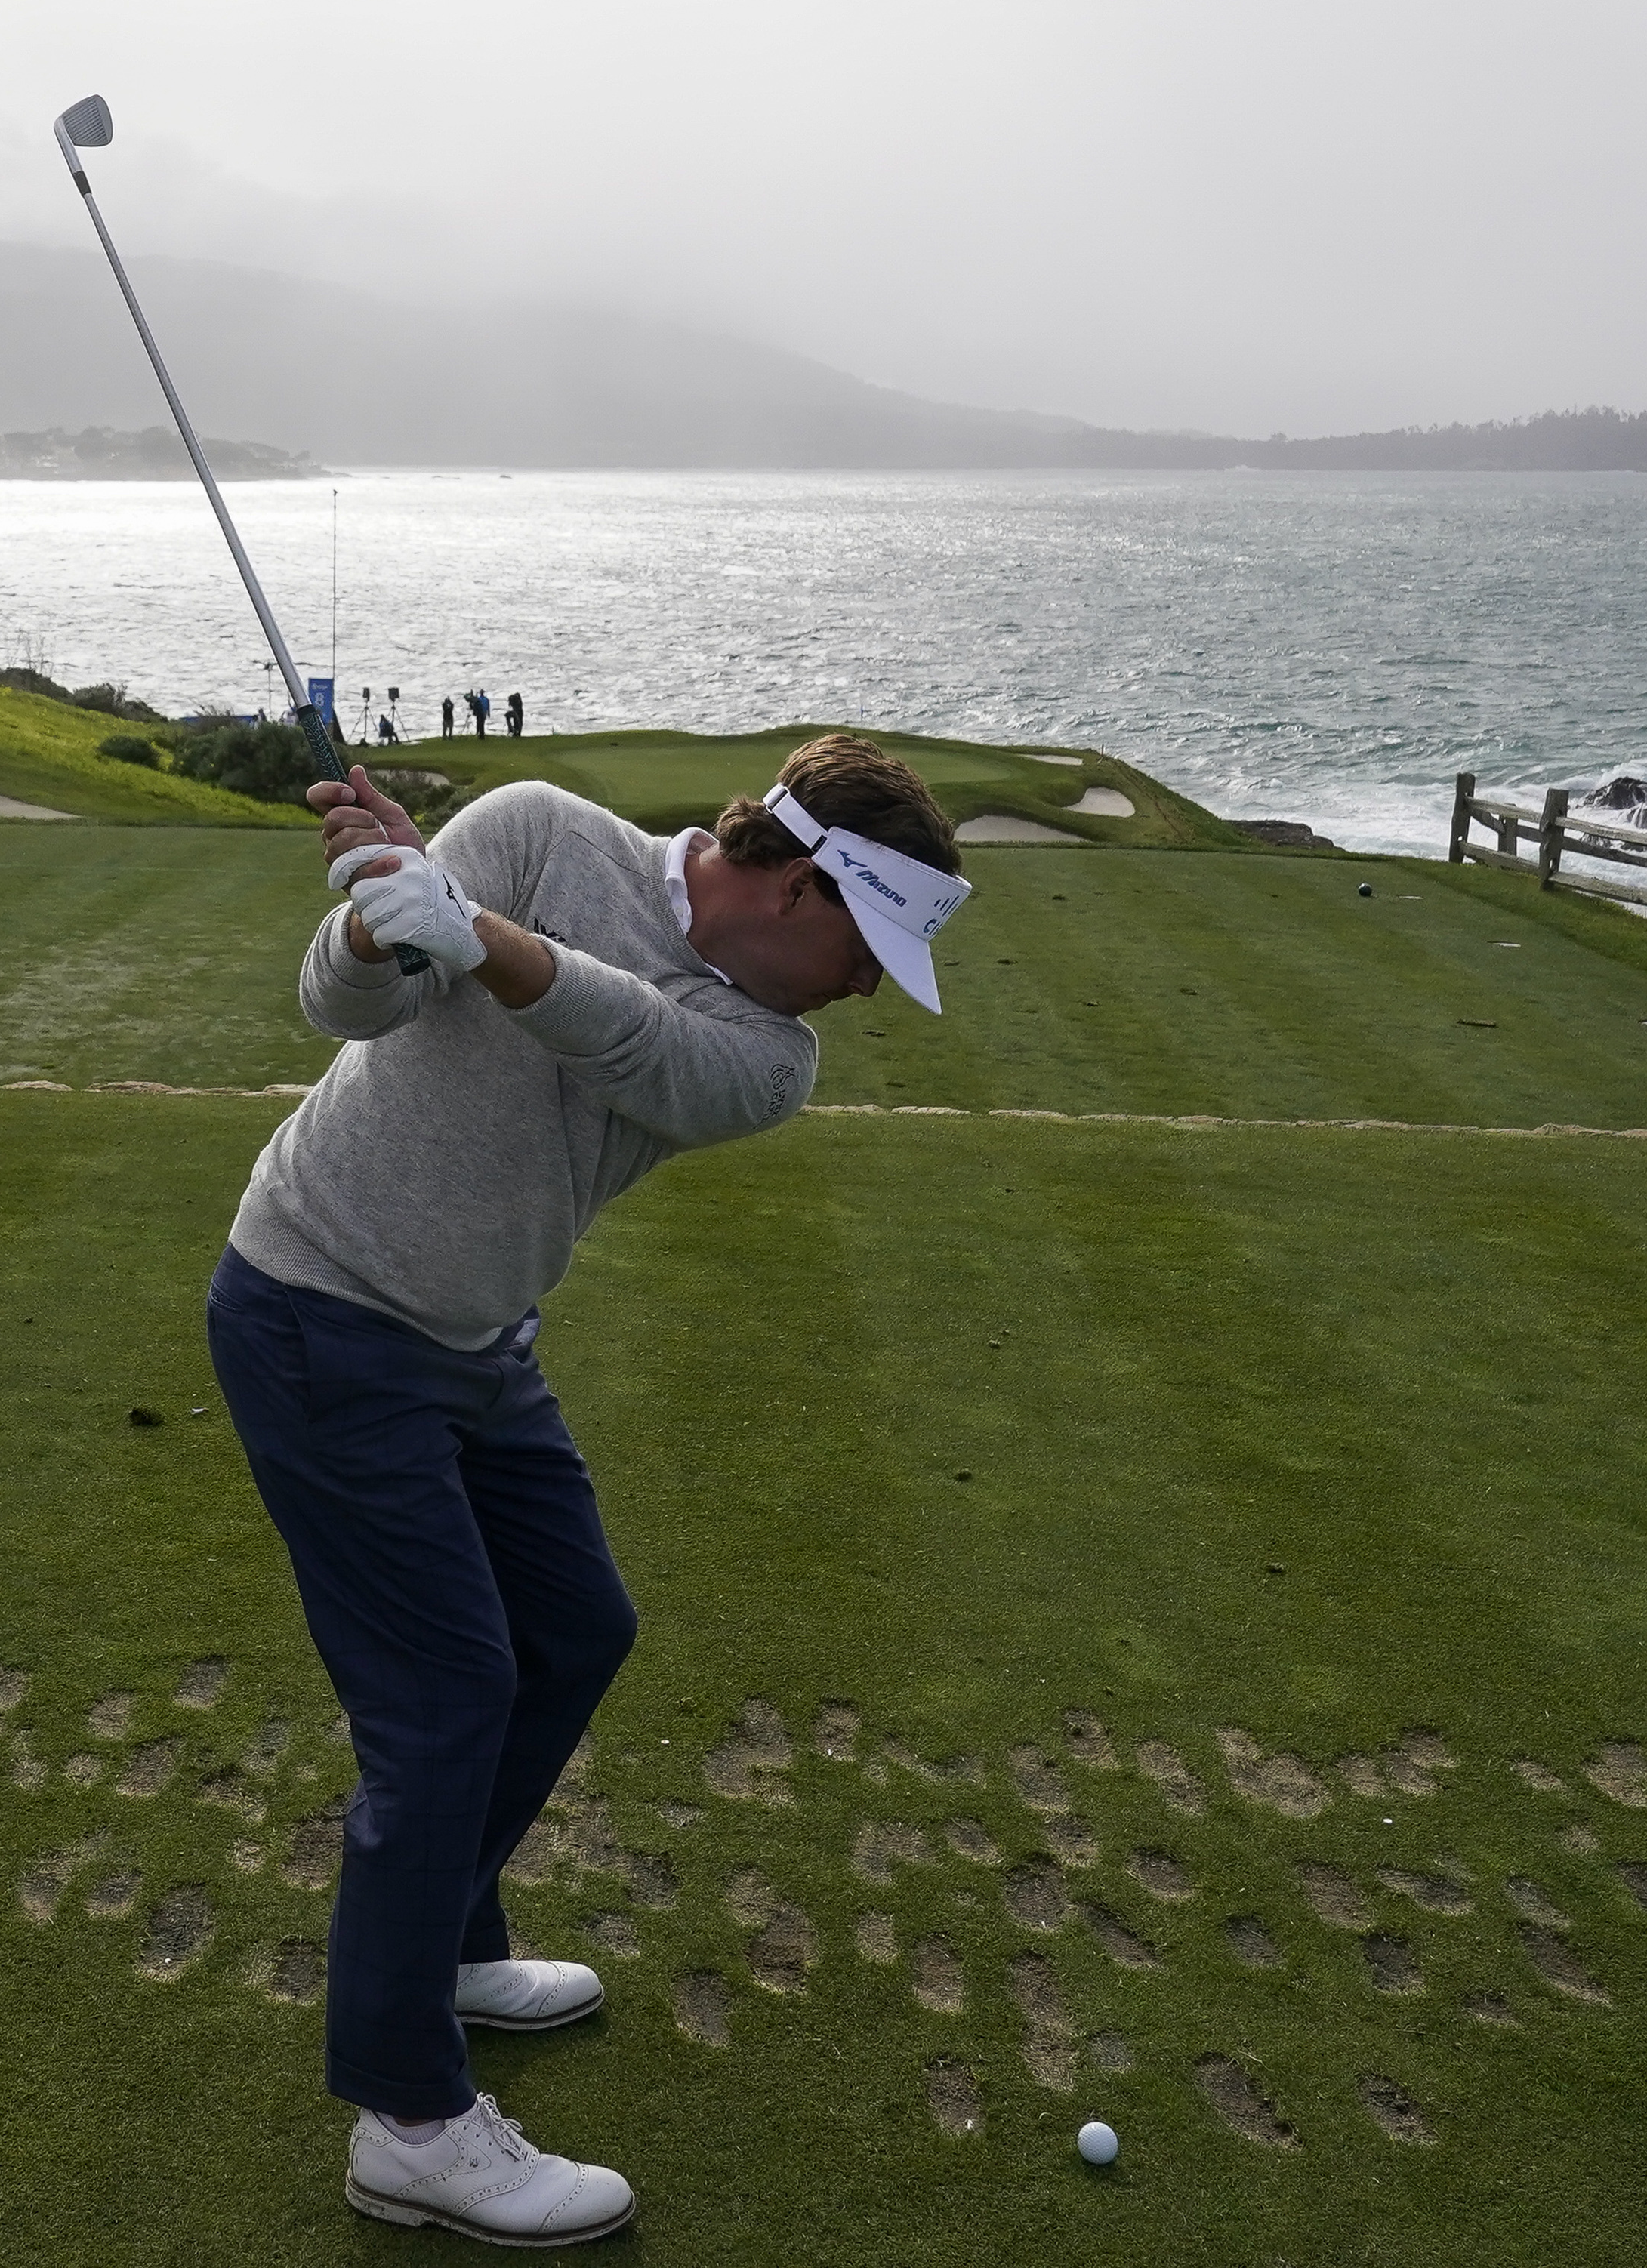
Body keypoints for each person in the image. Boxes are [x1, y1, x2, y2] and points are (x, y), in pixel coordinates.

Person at [208, 733, 972, 2245]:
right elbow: (336, 1005)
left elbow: (628, 1043)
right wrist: (376, 909)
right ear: (795, 881)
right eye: (865, 946)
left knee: (576, 1630)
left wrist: (474, 932)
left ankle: (447, 1935)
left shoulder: (767, 1057)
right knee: (444, 1696)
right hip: (322, 1305)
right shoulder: (542, 833)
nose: (866, 992)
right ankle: (408, 2122)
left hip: (478, 1342)